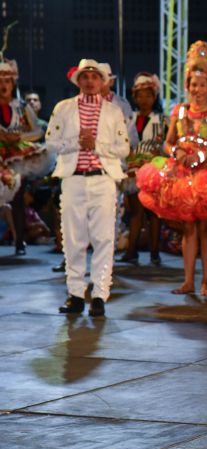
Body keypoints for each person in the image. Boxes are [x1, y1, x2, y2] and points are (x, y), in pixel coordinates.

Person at [136, 41, 207, 296]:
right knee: (188, 227)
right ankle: (188, 281)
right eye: (193, 84)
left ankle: (206, 282)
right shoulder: (179, 111)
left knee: (206, 227)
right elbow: (167, 142)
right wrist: (175, 152)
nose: (197, 89)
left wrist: (202, 156)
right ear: (187, 86)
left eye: (202, 84)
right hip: (181, 174)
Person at [45, 58, 130, 316]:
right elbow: (51, 142)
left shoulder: (114, 111)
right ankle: (75, 294)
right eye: (85, 76)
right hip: (73, 178)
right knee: (73, 238)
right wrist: (76, 142)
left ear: (102, 81)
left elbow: (124, 148)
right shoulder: (64, 108)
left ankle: (99, 295)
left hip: (103, 178)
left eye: (95, 77)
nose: (90, 81)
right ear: (78, 80)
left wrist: (97, 146)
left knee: (104, 238)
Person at [0, 57, 52, 255]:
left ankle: (19, 241)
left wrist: (18, 136)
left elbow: (38, 131)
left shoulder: (21, 107)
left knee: (18, 197)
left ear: (12, 83)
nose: (3, 85)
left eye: (6, 81)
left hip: (16, 155)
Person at [119, 72, 164, 266]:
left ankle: (154, 252)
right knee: (135, 210)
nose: (144, 99)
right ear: (135, 98)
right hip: (132, 169)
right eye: (140, 96)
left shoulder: (162, 120)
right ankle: (132, 250)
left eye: (148, 95)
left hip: (154, 169)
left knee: (153, 212)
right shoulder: (129, 119)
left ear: (154, 97)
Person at [98, 63, 139, 148]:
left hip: (117, 153)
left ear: (111, 82)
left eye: (103, 80)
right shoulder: (88, 103)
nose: (100, 84)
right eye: (98, 80)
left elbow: (130, 132)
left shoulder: (122, 104)